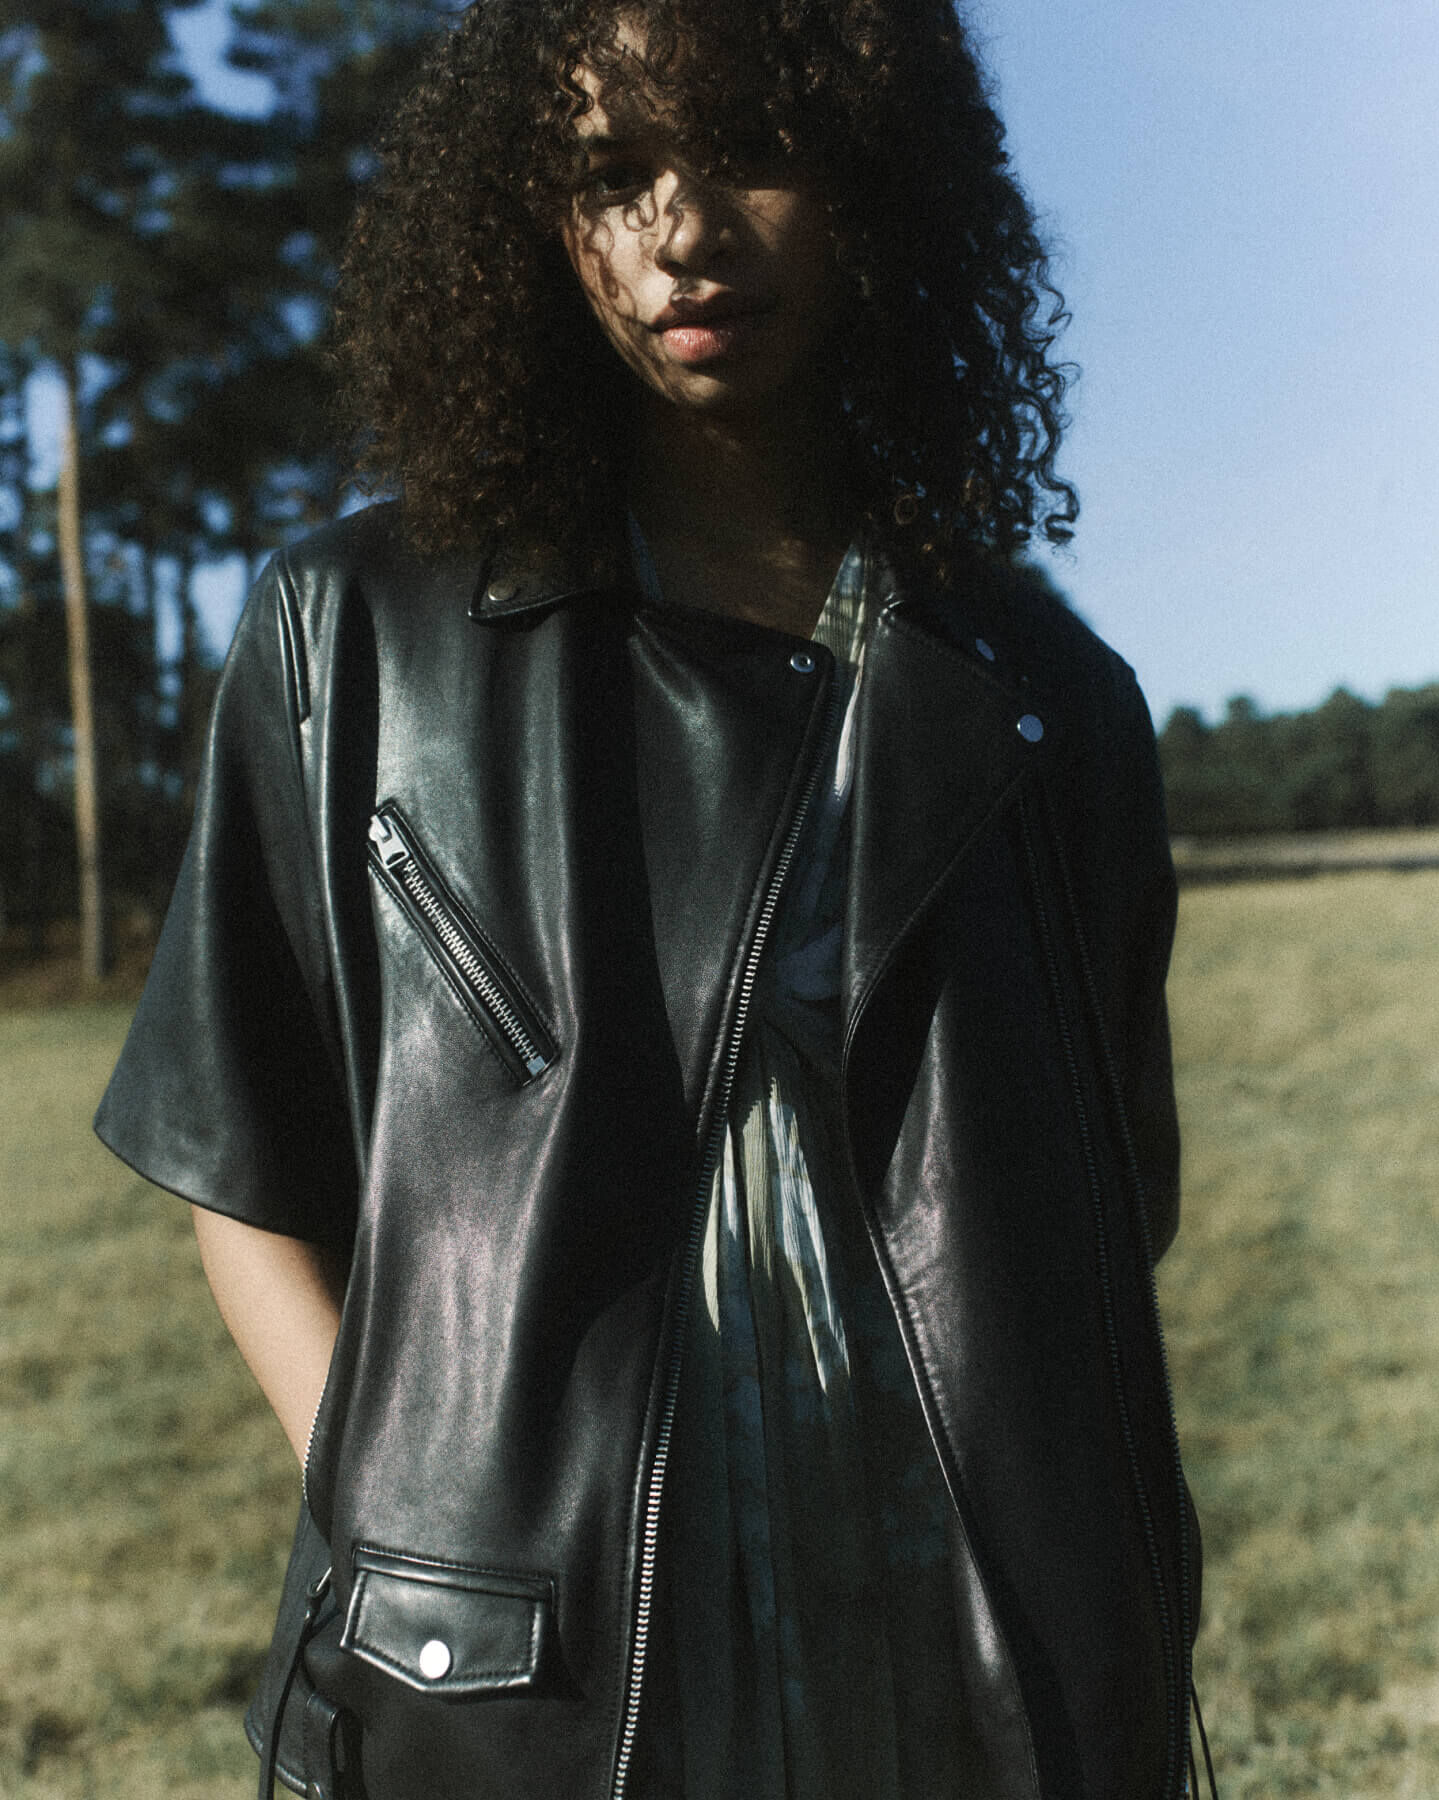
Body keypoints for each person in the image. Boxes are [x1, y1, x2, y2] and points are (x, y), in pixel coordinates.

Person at [95, 1, 1207, 1795]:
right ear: (528, 216)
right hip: (515, 1663)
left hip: (956, 1643)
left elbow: (1104, 1206)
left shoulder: (1042, 692)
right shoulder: (353, 633)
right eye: (611, 172)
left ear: (875, 171)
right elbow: (246, 1166)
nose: (683, 229)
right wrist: (413, 1523)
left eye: (751, 148)